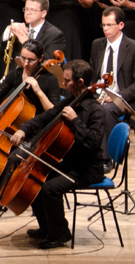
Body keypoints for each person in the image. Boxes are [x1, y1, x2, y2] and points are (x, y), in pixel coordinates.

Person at [9, 59, 106, 248]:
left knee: (49, 189)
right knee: (36, 180)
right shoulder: (70, 101)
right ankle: (47, 228)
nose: (63, 84)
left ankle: (61, 233)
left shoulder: (96, 111)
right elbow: (45, 117)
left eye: (67, 80)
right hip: (70, 163)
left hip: (88, 168)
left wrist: (76, 120)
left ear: (80, 82)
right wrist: (24, 129)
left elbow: (92, 144)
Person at [0, 39, 60, 222]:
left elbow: (54, 112)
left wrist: (38, 91)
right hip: (10, 128)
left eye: (31, 60)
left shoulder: (50, 80)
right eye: (23, 58)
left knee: (11, 159)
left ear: (41, 59)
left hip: (36, 132)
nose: (25, 64)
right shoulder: (16, 74)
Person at [90, 7, 135, 154]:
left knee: (105, 111)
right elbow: (92, 75)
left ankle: (105, 156)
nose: (105, 29)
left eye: (109, 25)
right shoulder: (97, 44)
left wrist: (117, 96)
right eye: (103, 25)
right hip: (98, 94)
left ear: (121, 25)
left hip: (120, 97)